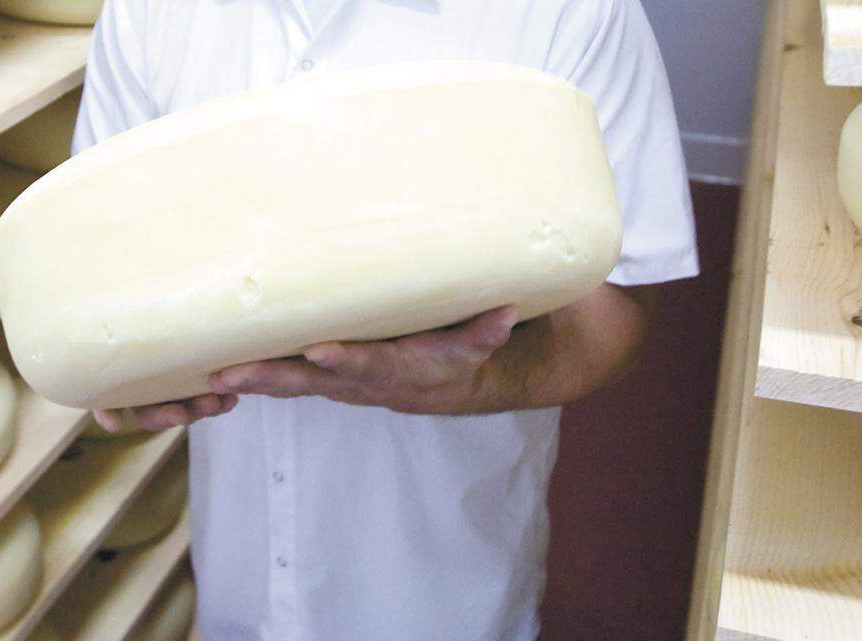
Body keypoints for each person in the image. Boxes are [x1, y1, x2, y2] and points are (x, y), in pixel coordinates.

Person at [73, 1, 699, 639]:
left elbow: (615, 310)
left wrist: (470, 381)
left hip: (445, 593)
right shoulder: (151, 10)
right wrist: (129, 370)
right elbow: (105, 262)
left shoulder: (569, 11)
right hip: (239, 577)